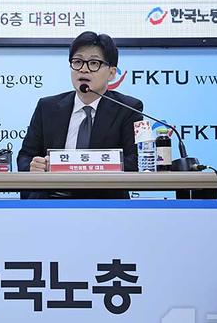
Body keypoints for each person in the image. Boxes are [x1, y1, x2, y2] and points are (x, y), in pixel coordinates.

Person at [17, 31, 143, 199]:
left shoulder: (128, 109)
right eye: (77, 62)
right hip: (50, 201)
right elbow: (25, 156)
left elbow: (134, 161)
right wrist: (34, 166)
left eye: (94, 63)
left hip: (104, 203)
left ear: (112, 73)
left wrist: (87, 165)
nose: (83, 69)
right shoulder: (47, 107)